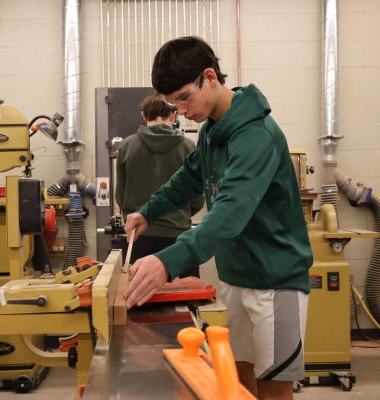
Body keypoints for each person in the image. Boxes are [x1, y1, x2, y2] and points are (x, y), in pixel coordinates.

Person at [124, 36, 313, 400]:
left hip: (275, 281)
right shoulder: (213, 128)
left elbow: (229, 214)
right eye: (171, 103)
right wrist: (148, 212)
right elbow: (189, 177)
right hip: (237, 276)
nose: (179, 110)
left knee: (274, 389)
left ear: (209, 77)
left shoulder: (254, 135)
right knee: (238, 382)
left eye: (183, 97)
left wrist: (168, 262)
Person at [116, 92, 204, 277]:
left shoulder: (126, 146)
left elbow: (120, 196)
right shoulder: (189, 147)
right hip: (179, 238)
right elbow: (198, 199)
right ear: (173, 115)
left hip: (139, 239)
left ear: (143, 115)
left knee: (140, 299)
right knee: (186, 299)